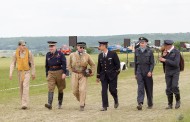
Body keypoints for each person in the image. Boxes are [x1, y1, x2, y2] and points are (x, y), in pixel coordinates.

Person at [67, 42, 95, 111]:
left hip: (83, 74)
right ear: (77, 47)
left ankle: (82, 105)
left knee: (82, 90)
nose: (82, 49)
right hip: (74, 74)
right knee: (74, 91)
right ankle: (81, 100)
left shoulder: (87, 55)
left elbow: (93, 65)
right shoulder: (72, 55)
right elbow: (68, 65)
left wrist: (91, 72)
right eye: (80, 47)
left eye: (83, 47)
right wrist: (71, 72)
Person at [9, 40, 36, 110]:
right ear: (19, 46)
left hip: (27, 72)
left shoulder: (29, 53)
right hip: (19, 72)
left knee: (25, 86)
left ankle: (25, 104)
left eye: (24, 45)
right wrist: (11, 73)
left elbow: (32, 63)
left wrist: (33, 73)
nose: (24, 46)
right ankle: (22, 103)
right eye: (23, 45)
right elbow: (12, 63)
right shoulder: (15, 53)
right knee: (21, 87)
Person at [96, 41, 120, 111]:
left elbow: (117, 65)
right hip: (103, 76)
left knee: (112, 90)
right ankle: (104, 106)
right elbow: (99, 67)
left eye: (100, 46)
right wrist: (98, 76)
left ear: (104, 46)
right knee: (103, 91)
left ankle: (116, 99)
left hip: (112, 76)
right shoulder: (100, 55)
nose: (99, 47)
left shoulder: (113, 54)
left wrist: (115, 73)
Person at [159, 40, 181, 109]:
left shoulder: (176, 52)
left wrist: (165, 60)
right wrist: (163, 56)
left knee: (174, 86)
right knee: (168, 88)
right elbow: (163, 62)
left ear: (169, 45)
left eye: (165, 45)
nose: (164, 47)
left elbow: (176, 64)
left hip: (175, 71)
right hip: (168, 72)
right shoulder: (165, 51)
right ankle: (170, 104)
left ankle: (178, 101)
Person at [45, 41, 67, 110]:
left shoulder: (60, 54)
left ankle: (60, 103)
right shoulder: (48, 55)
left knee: (60, 88)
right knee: (50, 87)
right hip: (51, 72)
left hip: (59, 72)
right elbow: (46, 65)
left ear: (55, 47)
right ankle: (49, 104)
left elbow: (64, 64)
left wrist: (64, 73)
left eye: (52, 46)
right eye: (50, 47)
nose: (51, 48)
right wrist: (47, 73)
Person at [134, 37, 155, 110]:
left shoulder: (150, 51)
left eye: (143, 43)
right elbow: (135, 63)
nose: (141, 44)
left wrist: (150, 71)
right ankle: (140, 103)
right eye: (140, 43)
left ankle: (150, 103)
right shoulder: (137, 50)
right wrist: (135, 73)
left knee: (148, 88)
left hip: (147, 71)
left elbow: (152, 63)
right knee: (140, 87)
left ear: (146, 43)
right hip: (139, 71)